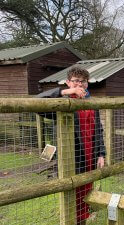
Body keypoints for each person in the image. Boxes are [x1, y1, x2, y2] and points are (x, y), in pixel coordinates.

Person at [37, 66, 105, 225]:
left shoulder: (92, 102)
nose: (80, 84)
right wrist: (62, 93)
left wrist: (101, 154)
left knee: (87, 190)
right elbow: (37, 102)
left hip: (91, 155)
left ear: (87, 83)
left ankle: (82, 220)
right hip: (71, 158)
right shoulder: (61, 102)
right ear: (68, 82)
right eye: (76, 81)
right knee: (72, 192)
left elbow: (99, 130)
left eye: (83, 81)